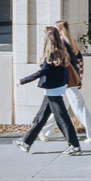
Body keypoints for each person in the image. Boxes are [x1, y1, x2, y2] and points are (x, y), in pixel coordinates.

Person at [19, 26, 83, 154]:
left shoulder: (52, 53)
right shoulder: (61, 50)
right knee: (41, 117)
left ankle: (75, 146)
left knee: (62, 120)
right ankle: (26, 142)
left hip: (53, 90)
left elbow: (42, 72)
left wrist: (22, 81)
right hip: (56, 88)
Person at [37, 19, 91, 146]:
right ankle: (44, 132)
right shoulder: (72, 42)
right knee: (60, 107)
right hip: (70, 81)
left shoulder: (62, 43)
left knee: (74, 106)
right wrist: (79, 79)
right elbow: (79, 60)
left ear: (59, 30)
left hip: (65, 81)